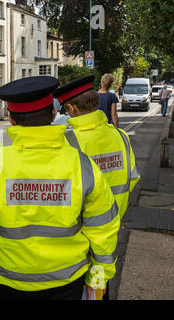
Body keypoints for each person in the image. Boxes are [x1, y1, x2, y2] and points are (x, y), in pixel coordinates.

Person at [0, 76, 120, 300]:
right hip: (66, 279)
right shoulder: (82, 164)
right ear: (54, 115)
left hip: (7, 278)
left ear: (11, 120)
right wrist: (98, 278)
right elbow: (103, 229)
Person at [53, 76, 141, 299]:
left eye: (66, 108)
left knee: (79, 290)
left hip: (77, 238)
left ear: (71, 108)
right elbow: (132, 179)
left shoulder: (66, 142)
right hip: (109, 232)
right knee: (100, 286)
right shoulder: (121, 137)